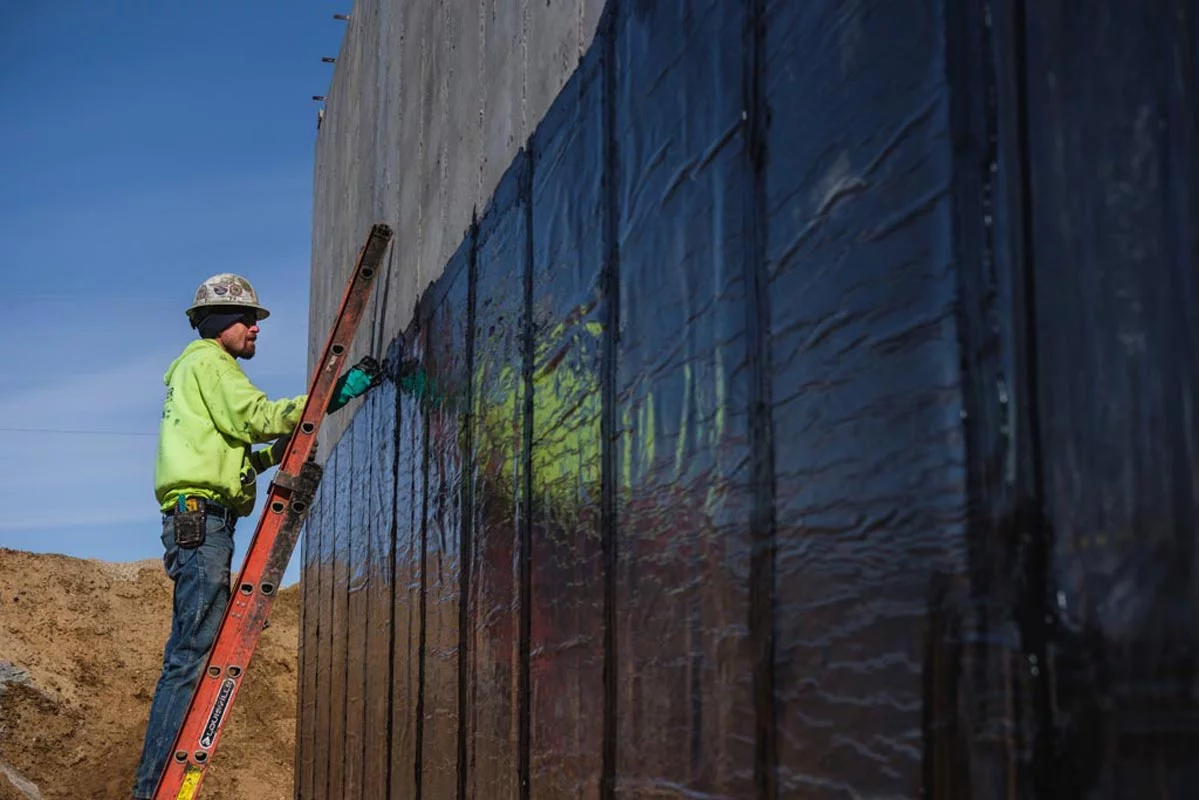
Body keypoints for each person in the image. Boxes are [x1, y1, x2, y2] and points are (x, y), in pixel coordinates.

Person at [130, 273, 379, 799]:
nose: (255, 330)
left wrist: (282, 452)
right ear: (220, 323)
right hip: (203, 522)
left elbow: (242, 454)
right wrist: (329, 398)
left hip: (201, 519)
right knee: (191, 655)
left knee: (193, 651)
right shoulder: (210, 364)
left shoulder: (195, 373)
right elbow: (257, 417)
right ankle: (152, 791)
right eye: (247, 320)